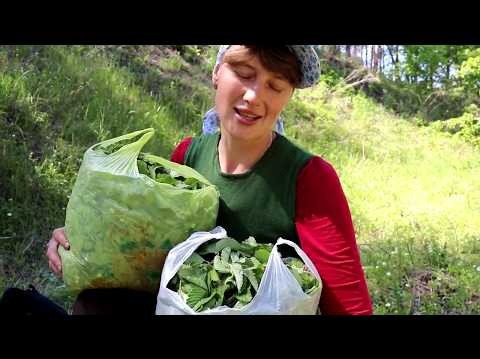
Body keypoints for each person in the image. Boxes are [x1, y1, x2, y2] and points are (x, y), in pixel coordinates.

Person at [47, 45, 373, 315]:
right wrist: (83, 243)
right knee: (94, 305)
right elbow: (148, 257)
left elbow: (348, 306)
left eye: (275, 86)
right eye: (244, 74)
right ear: (217, 73)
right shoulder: (188, 156)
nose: (253, 96)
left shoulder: (309, 178)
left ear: (287, 96)